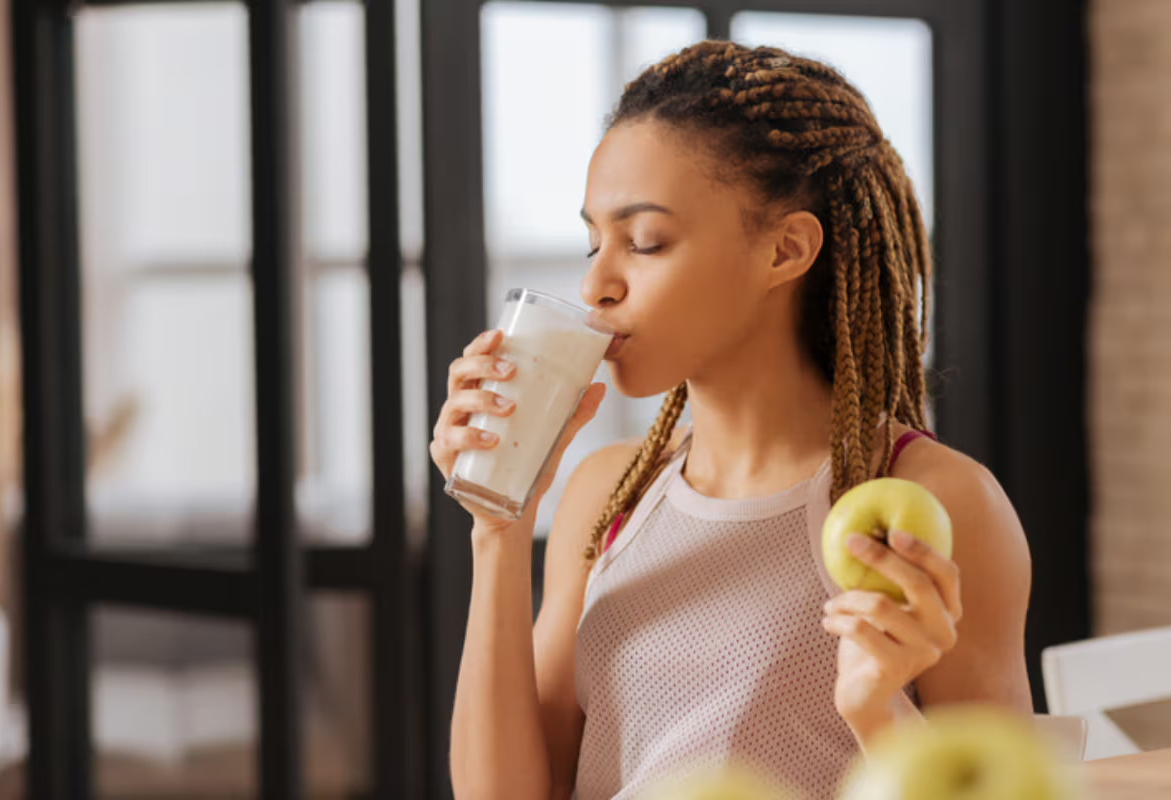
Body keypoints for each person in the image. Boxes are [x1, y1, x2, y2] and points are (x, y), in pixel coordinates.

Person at [431, 41, 1032, 800]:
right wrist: (499, 528)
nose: (596, 284)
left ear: (786, 249)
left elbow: (1011, 789)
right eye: (594, 241)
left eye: (644, 241)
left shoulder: (937, 503)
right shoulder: (610, 492)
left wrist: (879, 712)